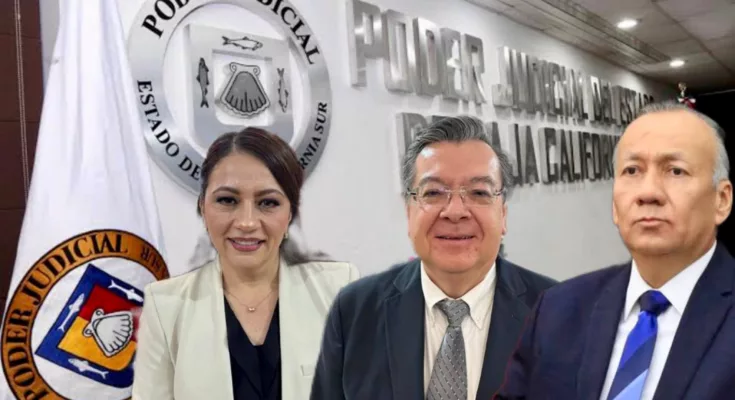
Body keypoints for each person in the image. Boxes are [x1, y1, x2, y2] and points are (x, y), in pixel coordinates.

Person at [495, 101, 735, 400]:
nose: (648, 193)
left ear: (722, 200)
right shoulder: (558, 309)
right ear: (614, 205)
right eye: (632, 170)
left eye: (676, 171)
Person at [310, 115, 556, 400]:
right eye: (434, 193)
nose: (455, 211)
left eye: (479, 192)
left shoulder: (559, 315)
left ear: (503, 215)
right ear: (409, 212)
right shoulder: (354, 311)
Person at [132, 128, 360, 400]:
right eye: (228, 200)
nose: (247, 222)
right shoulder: (165, 307)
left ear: (290, 213)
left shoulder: (339, 291)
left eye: (268, 202)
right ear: (203, 208)